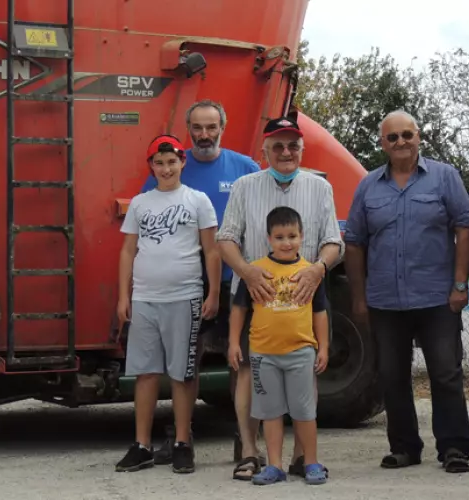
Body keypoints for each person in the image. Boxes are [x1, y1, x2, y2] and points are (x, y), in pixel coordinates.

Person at [343, 109, 469, 473]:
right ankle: (404, 448)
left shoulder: (445, 177)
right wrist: (359, 297)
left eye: (407, 134)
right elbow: (354, 242)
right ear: (382, 143)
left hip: (437, 297)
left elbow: (465, 227)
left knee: (446, 374)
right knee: (392, 376)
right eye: (393, 137)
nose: (401, 142)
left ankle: (454, 448)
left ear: (419, 137)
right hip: (385, 300)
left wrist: (460, 284)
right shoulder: (368, 186)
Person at [216, 113, 343, 481]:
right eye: (278, 146)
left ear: (301, 149)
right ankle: (250, 452)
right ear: (265, 151)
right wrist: (247, 271)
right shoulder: (244, 186)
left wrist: (318, 269)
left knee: (307, 373)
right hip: (255, 297)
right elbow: (225, 239)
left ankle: (303, 457)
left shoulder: (320, 187)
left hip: (303, 299)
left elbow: (333, 242)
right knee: (247, 373)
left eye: (293, 146)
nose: (286, 152)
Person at [140, 100, 260, 464]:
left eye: (211, 127)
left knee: (242, 362)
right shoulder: (173, 167)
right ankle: (182, 439)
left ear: (223, 127)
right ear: (188, 129)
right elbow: (148, 220)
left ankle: (245, 442)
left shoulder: (246, 168)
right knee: (184, 364)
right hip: (189, 285)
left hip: (239, 282)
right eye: (197, 128)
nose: (204, 134)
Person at [115, 134, 221, 474]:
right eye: (159, 163)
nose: (166, 169)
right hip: (145, 298)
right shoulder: (140, 203)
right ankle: (142, 445)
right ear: (151, 166)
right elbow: (128, 251)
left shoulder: (197, 200)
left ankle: (182, 443)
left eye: (172, 162)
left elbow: (212, 250)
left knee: (182, 373)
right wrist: (124, 296)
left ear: (182, 162)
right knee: (146, 373)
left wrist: (213, 293)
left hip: (185, 296)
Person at [228, 206, 330, 486]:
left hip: (301, 353)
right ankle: (274, 466)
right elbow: (239, 309)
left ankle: (311, 462)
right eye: (280, 237)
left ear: (302, 236)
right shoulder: (255, 272)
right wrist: (234, 342)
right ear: (269, 239)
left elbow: (320, 313)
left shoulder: (310, 273)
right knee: (270, 413)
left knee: (304, 412)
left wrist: (323, 347)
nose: (287, 243)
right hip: (263, 355)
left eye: (292, 236)